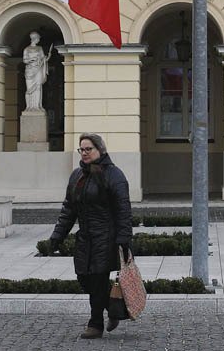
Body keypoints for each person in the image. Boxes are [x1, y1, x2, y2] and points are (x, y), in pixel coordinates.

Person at [49, 133, 132, 339]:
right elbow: (69, 210)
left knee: (97, 279)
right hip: (85, 237)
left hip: (105, 236)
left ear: (100, 150)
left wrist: (123, 239)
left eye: (88, 149)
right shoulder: (77, 175)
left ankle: (95, 325)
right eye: (82, 149)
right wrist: (56, 237)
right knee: (83, 278)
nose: (84, 153)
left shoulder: (114, 175)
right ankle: (114, 309)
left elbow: (123, 210)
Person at [23, 31, 51, 110]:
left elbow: (43, 59)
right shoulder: (27, 49)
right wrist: (31, 59)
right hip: (29, 70)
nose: (39, 40)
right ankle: (29, 107)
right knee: (29, 89)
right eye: (38, 38)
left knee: (38, 87)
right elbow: (25, 60)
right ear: (34, 38)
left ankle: (37, 106)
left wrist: (47, 57)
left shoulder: (39, 48)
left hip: (38, 69)